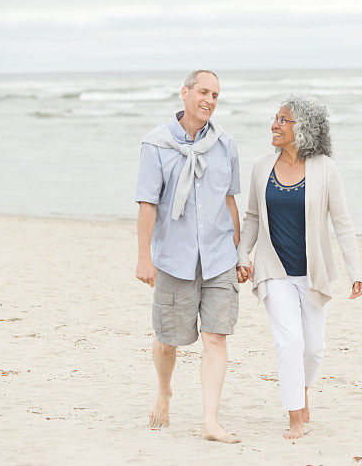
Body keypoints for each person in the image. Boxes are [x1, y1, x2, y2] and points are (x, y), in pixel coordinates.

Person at [236, 94, 362, 439]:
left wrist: (356, 272)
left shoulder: (325, 169)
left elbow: (343, 222)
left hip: (312, 274)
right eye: (275, 118)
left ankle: (302, 389)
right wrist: (242, 254)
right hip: (273, 270)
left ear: (304, 128)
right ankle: (295, 417)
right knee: (289, 342)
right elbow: (251, 217)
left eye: (283, 120)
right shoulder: (262, 166)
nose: (275, 125)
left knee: (313, 349)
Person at [134, 70, 242, 443]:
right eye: (202, 92)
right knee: (168, 340)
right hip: (174, 259)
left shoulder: (225, 144)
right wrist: (143, 257)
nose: (209, 100)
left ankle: (210, 421)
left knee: (216, 338)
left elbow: (230, 202)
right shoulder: (156, 144)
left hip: (219, 259)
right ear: (184, 93)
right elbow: (148, 203)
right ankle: (164, 390)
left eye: (215, 94)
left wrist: (239, 253)